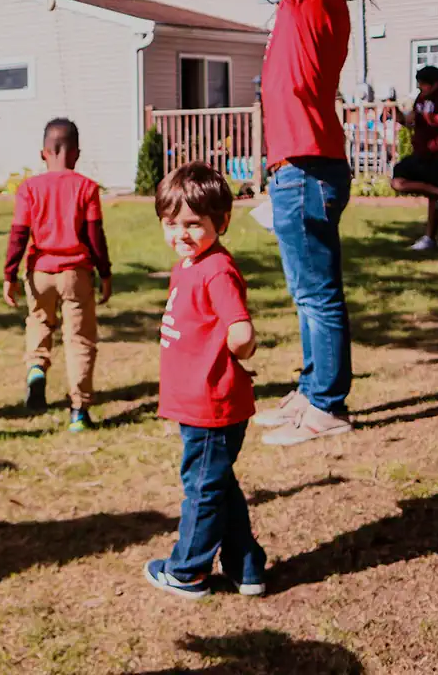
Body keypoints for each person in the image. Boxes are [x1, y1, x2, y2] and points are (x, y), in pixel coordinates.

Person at [219, 0, 392, 446]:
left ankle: (327, 406)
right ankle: (312, 387)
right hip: (307, 165)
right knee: (307, 293)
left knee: (318, 296)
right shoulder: (321, 3)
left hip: (309, 168)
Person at [144, 163, 265, 600]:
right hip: (195, 402)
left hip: (212, 404)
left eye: (194, 224)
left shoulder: (217, 270)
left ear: (222, 222)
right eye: (171, 223)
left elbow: (240, 331)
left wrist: (239, 348)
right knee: (219, 483)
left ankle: (187, 570)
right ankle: (246, 566)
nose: (181, 233)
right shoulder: (189, 264)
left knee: (202, 488)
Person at [2, 119, 113, 432]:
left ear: (43, 153)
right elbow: (95, 236)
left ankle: (37, 367)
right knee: (79, 339)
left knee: (39, 321)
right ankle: (79, 411)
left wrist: (9, 274)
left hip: (40, 272)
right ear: (76, 153)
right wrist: (105, 273)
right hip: (76, 272)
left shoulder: (29, 188)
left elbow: (19, 234)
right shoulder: (86, 187)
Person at [390, 67, 438, 251]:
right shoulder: (422, 98)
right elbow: (411, 122)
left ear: (435, 83)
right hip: (422, 154)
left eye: (423, 84)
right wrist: (399, 115)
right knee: (397, 182)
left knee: (432, 197)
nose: (420, 88)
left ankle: (430, 238)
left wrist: (425, 116)